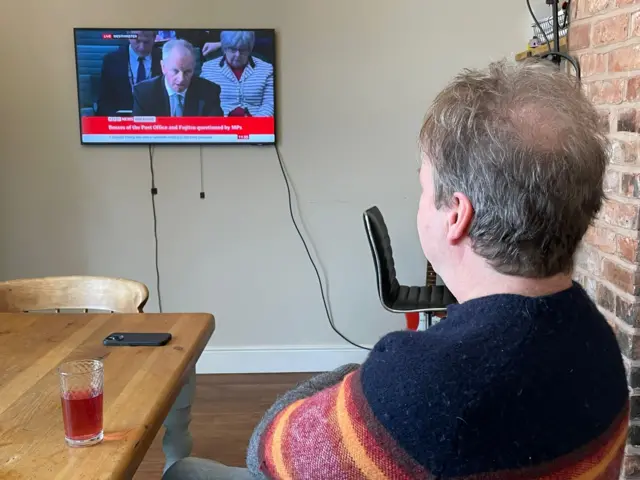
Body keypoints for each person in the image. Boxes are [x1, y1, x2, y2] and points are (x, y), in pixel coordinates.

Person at [164, 59, 629, 479]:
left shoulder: (426, 387)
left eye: (424, 187)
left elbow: (267, 450)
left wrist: (359, 378)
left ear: (456, 216)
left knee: (184, 472)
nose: (420, 202)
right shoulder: (599, 341)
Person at [133, 39, 223, 117]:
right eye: (175, 71)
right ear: (163, 67)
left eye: (188, 72)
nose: (181, 79)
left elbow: (214, 132)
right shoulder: (143, 93)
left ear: (194, 67)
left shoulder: (209, 92)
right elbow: (140, 133)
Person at [200, 31, 274, 117]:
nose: (238, 55)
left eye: (243, 49)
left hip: (257, 125)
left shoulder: (266, 69)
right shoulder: (208, 69)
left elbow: (269, 104)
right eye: (233, 49)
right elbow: (204, 105)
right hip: (221, 126)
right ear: (224, 49)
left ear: (249, 49)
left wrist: (254, 126)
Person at [96, 30, 162, 116]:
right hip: (120, 121)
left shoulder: (166, 59)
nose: (142, 47)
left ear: (154, 38)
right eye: (137, 41)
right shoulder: (111, 60)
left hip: (156, 122)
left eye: (146, 42)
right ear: (128, 36)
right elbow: (104, 101)